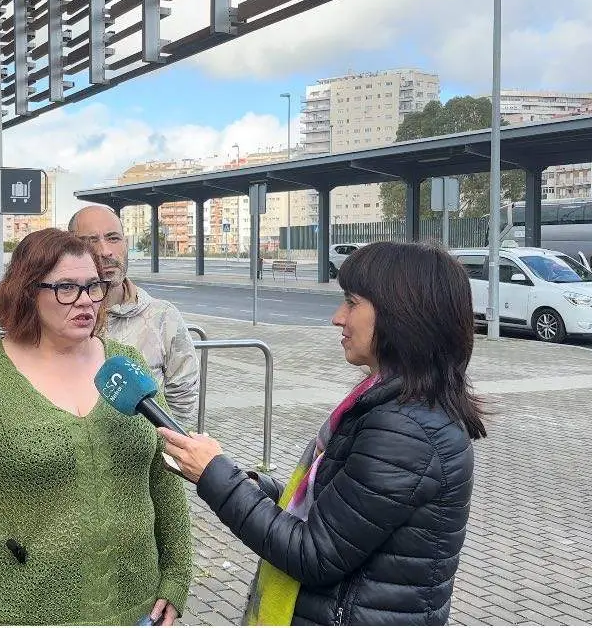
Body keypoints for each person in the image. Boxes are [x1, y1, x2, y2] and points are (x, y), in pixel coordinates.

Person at [158, 241, 486, 626]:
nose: (337, 317)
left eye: (352, 302)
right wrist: (247, 483)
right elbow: (336, 510)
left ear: (401, 314)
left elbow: (314, 554)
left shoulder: (405, 430)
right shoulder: (390, 404)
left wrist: (218, 479)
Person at [0, 228, 193, 625]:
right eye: (66, 288)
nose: (85, 301)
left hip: (135, 609)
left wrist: (177, 575)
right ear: (27, 292)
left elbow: (164, 475)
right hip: (15, 614)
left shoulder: (126, 363)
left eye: (93, 287)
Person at [68, 205, 200, 425]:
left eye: (113, 238)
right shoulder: (57, 316)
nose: (104, 251)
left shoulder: (163, 317)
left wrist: (163, 450)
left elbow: (182, 399)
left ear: (126, 244)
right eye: (90, 241)